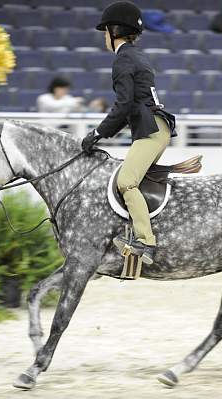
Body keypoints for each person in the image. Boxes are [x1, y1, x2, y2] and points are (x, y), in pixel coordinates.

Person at [81, 1, 177, 265]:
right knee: (133, 181)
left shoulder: (123, 60)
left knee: (126, 182)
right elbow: (132, 106)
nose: (103, 37)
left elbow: (123, 105)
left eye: (105, 32)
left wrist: (97, 133)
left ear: (114, 31)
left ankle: (146, 243)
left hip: (150, 131)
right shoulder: (139, 57)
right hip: (158, 128)